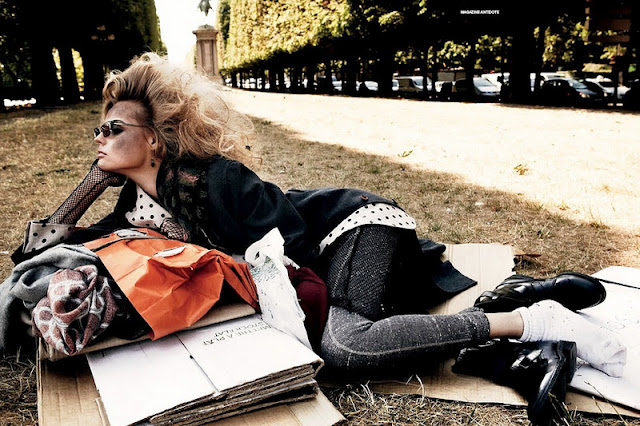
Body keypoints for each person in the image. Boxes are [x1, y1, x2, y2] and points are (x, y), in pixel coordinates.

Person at [3, 53, 627, 424]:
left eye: (113, 128)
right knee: (349, 339)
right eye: (98, 130)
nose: (100, 138)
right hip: (328, 258)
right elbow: (68, 247)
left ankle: (535, 321)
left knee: (346, 346)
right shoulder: (135, 202)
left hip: (356, 228)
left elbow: (292, 241)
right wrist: (83, 197)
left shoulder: (215, 178)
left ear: (154, 140)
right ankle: (510, 305)